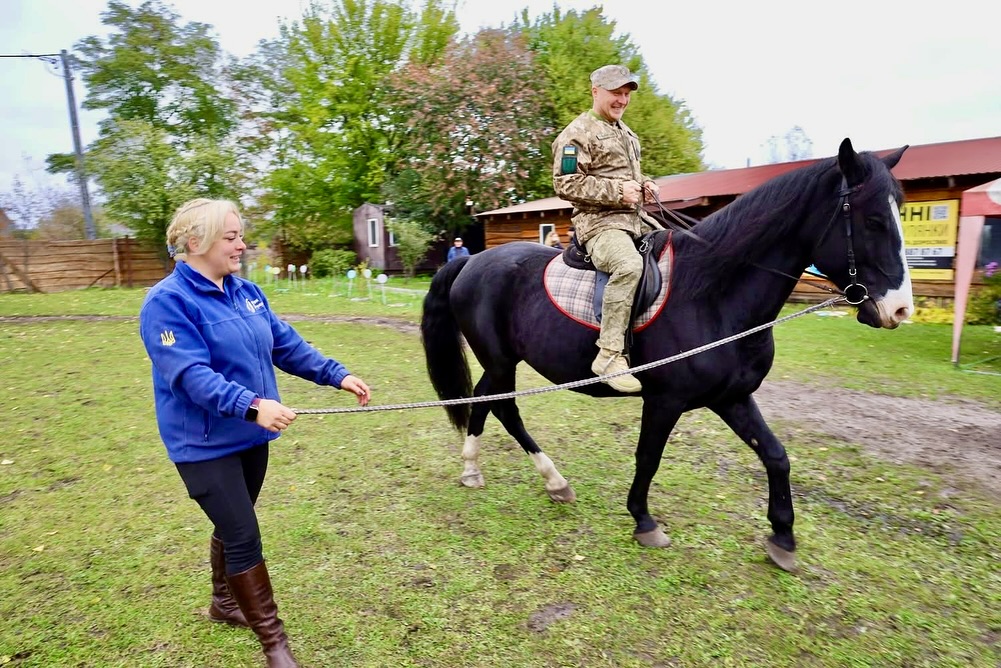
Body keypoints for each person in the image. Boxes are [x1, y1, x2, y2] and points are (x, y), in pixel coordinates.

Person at [139, 198, 371, 668]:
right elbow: (189, 376)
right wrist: (253, 405)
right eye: (231, 237)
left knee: (232, 523)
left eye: (240, 235)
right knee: (244, 534)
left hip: (249, 438)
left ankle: (224, 603)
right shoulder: (167, 303)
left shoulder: (246, 292)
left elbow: (284, 343)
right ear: (194, 243)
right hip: (203, 444)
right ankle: (274, 643)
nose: (242, 245)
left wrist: (336, 375)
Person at [552, 64, 661, 393]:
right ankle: (610, 355)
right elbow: (566, 183)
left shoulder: (627, 134)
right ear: (595, 91)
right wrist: (617, 192)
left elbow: (623, 176)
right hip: (599, 224)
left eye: (627, 94)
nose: (622, 100)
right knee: (628, 265)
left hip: (635, 220)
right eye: (616, 93)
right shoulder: (575, 134)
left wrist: (644, 185)